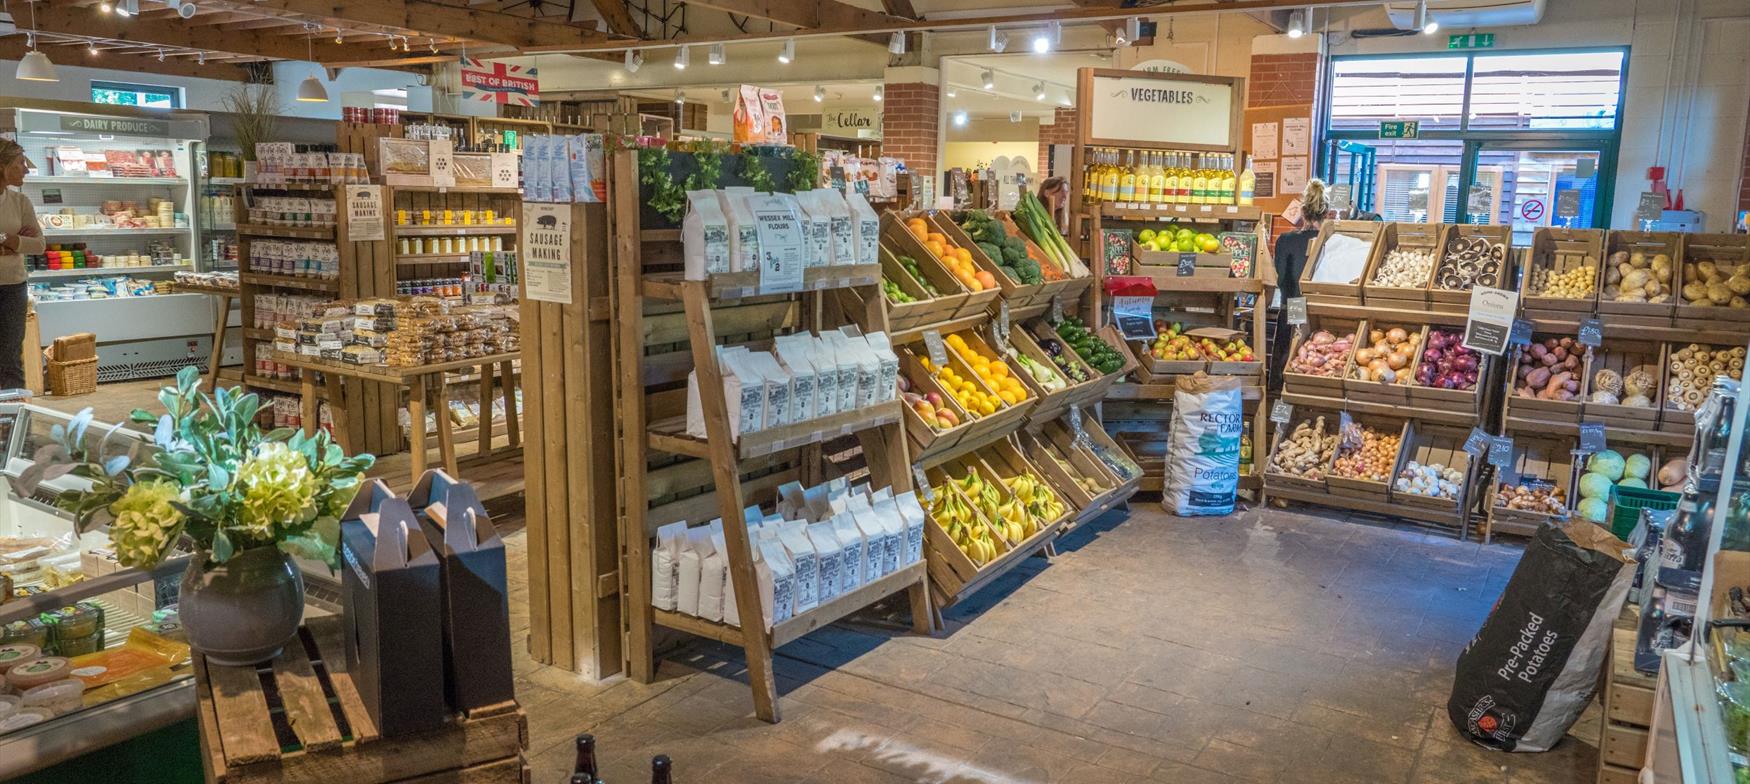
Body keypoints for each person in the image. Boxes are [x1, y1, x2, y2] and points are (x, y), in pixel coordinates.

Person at [1267, 178, 1329, 392]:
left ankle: (1278, 409)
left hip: (1293, 303)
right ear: (1326, 211)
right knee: (1316, 362)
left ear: (1303, 210)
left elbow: (1281, 278)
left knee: (1288, 358)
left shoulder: (1285, 240)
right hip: (1323, 309)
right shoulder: (1333, 239)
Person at [0, 141, 41, 391]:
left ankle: (14, 424)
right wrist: (16, 241)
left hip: (13, 287)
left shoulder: (21, 201)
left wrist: (9, 240)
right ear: (2, 166)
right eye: (20, 163)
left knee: (10, 358)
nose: (25, 169)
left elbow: (38, 244)